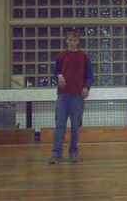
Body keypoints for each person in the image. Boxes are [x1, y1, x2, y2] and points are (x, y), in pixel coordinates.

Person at [49, 29, 94, 164]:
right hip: (63, 96)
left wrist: (86, 87)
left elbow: (90, 76)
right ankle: (56, 154)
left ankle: (73, 153)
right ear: (66, 41)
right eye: (70, 40)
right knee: (59, 125)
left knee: (75, 125)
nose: (72, 42)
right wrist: (59, 76)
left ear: (78, 41)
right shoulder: (61, 56)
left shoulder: (84, 57)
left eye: (75, 40)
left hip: (77, 97)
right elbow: (55, 72)